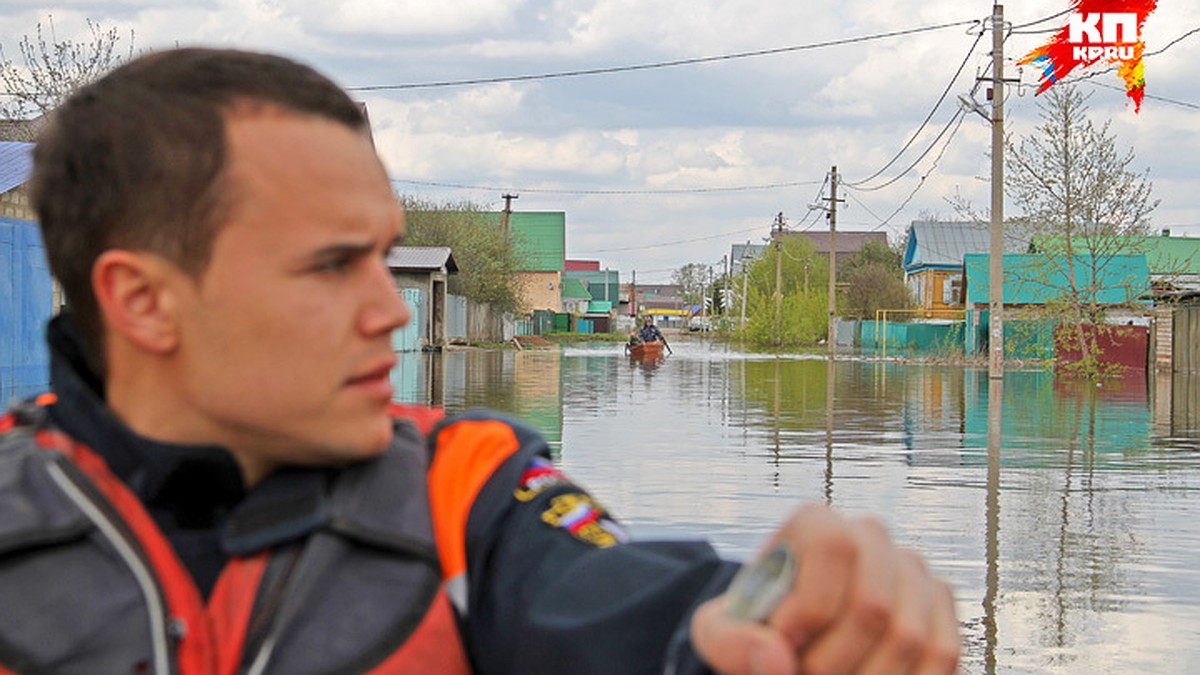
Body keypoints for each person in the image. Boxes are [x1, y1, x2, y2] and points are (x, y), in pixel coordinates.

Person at [0, 48, 960, 674]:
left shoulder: (469, 497)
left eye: (385, 255)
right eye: (333, 265)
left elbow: (640, 615)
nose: (389, 309)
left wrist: (778, 627)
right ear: (142, 300)